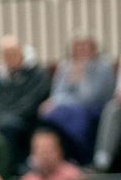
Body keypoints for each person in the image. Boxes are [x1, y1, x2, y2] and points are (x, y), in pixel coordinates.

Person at [38, 33, 115, 164]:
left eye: (85, 47)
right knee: (50, 114)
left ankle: (81, 157)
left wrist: (82, 78)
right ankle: (52, 155)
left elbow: (92, 98)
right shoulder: (65, 66)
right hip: (68, 107)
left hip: (94, 108)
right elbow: (58, 92)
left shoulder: (103, 67)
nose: (81, 51)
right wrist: (52, 102)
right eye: (77, 47)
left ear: (94, 49)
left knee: (76, 116)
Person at [0, 35, 49, 168]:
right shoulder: (1, 76)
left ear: (21, 52)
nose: (10, 57)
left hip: (27, 120)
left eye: (13, 53)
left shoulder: (38, 73)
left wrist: (2, 118)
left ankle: (7, 168)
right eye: (5, 54)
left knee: (7, 126)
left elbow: (31, 102)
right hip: (2, 119)